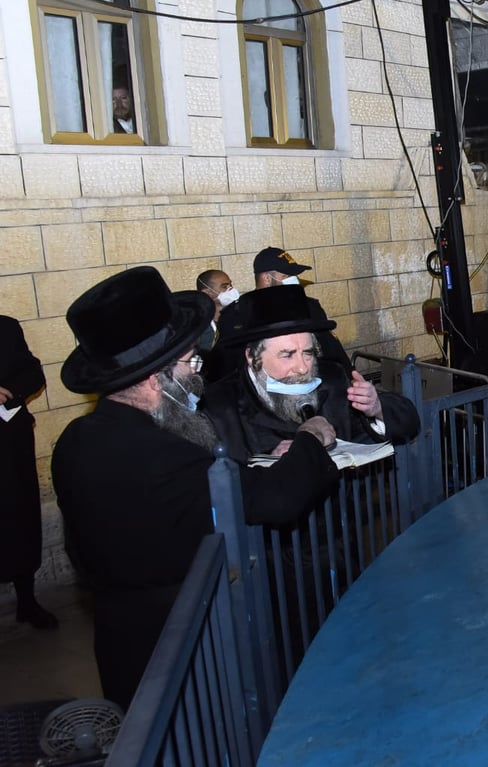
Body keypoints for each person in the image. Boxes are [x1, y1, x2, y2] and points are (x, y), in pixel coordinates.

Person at [52, 266, 340, 711]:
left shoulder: (74, 441)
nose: (197, 374)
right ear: (155, 379)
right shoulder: (160, 452)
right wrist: (310, 439)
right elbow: (274, 501)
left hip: (117, 639)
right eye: (190, 363)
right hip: (184, 650)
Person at [204, 285, 420, 463]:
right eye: (287, 355)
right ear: (252, 357)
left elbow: (407, 425)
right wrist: (270, 464)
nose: (302, 368)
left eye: (308, 353)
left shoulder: (332, 379)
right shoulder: (220, 405)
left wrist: (377, 409)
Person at [0, 316, 57, 630]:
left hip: (11, 442)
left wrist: (8, 391)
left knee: (21, 516)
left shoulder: (5, 327)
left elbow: (32, 372)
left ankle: (27, 601)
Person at [195, 269, 239, 353]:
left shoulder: (240, 318)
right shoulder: (199, 327)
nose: (231, 290)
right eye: (224, 286)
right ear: (207, 293)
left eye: (231, 285)